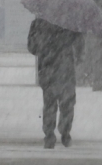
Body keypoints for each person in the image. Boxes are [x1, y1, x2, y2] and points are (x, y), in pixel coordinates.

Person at [27, 17, 84, 149]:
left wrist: (44, 47)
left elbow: (32, 48)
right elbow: (79, 43)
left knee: (49, 103)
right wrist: (78, 56)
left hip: (47, 67)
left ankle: (49, 135)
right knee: (67, 102)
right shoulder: (70, 21)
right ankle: (65, 132)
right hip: (66, 67)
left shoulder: (38, 22)